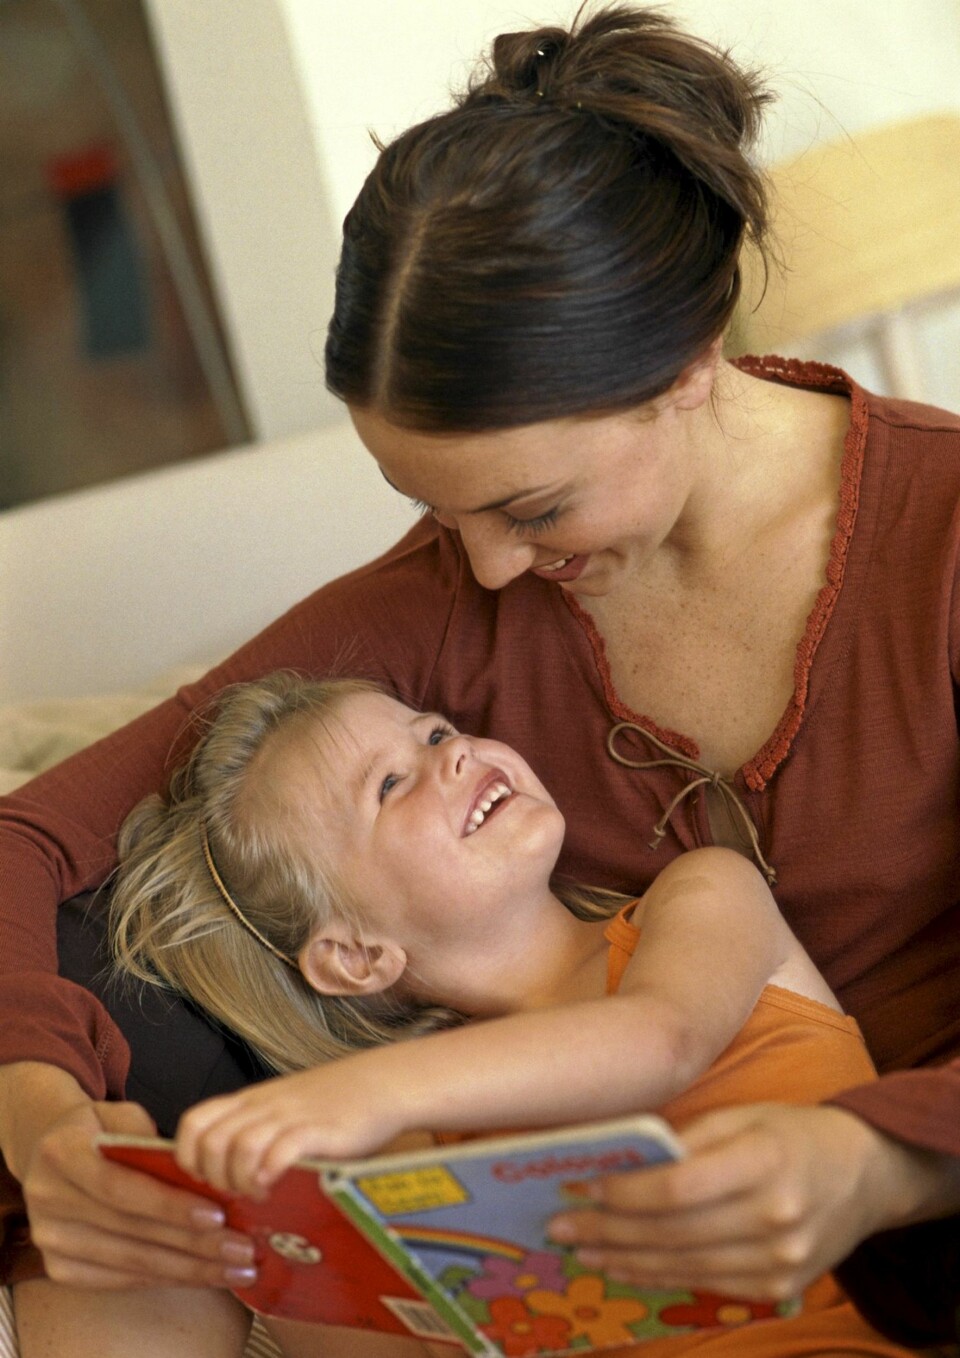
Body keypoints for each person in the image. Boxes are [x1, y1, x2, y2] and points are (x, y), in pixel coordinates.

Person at [0, 2, 957, 1352]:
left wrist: (881, 1163)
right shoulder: (447, 598)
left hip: (913, 1213)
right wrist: (40, 1117)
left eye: (534, 507)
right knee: (119, 963)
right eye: (434, 510)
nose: (488, 573)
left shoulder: (942, 544)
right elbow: (28, 838)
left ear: (687, 366)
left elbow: (672, 1033)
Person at [104, 668, 920, 1357]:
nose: (453, 752)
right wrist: (275, 1253)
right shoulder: (411, 1153)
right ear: (355, 956)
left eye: (432, 734)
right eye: (389, 786)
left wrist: (361, 1093)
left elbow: (657, 1041)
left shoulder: (701, 896)